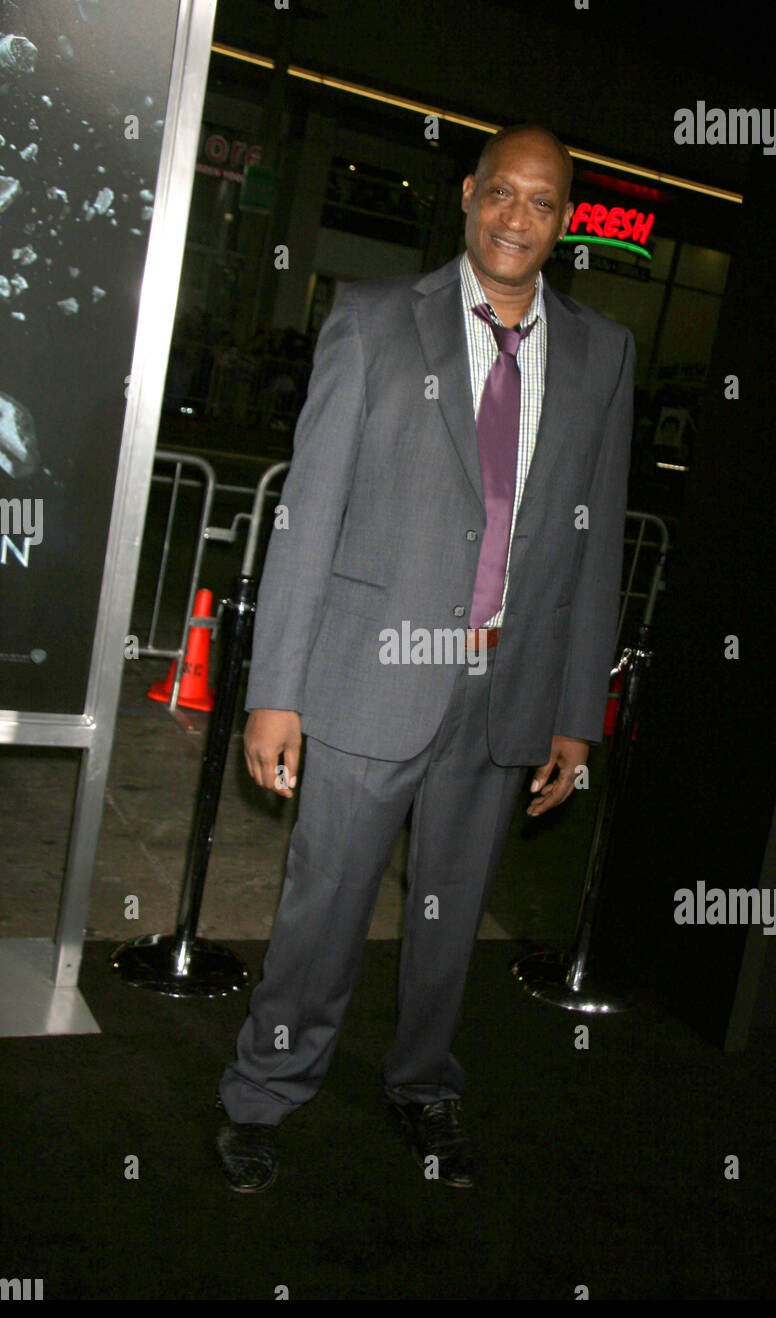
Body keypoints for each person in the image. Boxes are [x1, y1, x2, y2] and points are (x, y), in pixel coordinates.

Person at [216, 124, 635, 1193]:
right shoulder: (369, 322)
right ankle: (267, 1089)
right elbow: (306, 520)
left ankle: (422, 1083)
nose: (514, 216)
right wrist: (275, 694)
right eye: (501, 191)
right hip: (368, 676)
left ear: (562, 222)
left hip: (505, 691)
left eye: (541, 203)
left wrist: (576, 711)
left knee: (450, 911)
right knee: (324, 904)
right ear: (467, 194)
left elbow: (597, 544)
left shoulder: (600, 354)